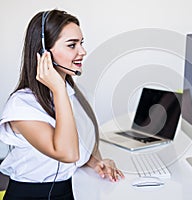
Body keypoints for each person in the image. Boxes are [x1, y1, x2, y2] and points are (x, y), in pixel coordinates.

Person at [0, 9, 124, 199]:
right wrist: (58, 89)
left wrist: (94, 161)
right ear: (44, 52)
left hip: (69, 188)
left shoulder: (73, 94)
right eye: (72, 45)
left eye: (81, 43)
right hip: (33, 195)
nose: (82, 51)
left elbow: (78, 144)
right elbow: (67, 153)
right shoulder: (22, 106)